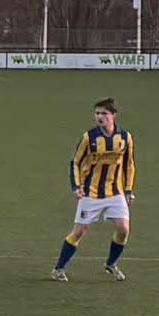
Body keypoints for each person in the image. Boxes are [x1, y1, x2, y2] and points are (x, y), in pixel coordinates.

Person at [52, 98, 135, 283]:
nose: (100, 117)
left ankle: (111, 264)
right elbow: (75, 162)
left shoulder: (125, 137)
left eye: (104, 113)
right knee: (79, 232)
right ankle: (59, 268)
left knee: (123, 229)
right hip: (90, 193)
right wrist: (76, 186)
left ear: (113, 116)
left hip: (115, 192)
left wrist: (129, 190)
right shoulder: (89, 137)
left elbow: (129, 164)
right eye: (97, 113)